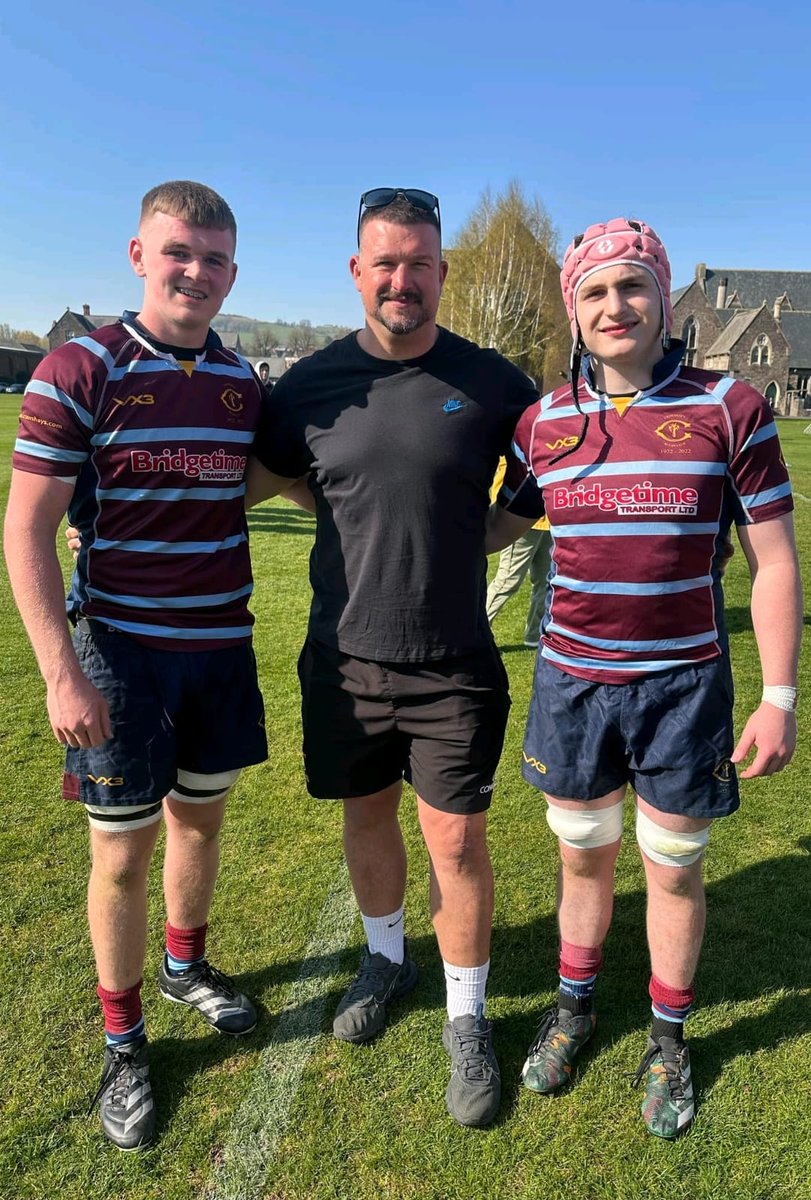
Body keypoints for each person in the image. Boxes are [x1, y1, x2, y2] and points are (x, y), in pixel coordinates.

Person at [491, 218, 802, 1138]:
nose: (614, 306)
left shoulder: (730, 406)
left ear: (664, 299)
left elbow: (774, 563)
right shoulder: (541, 420)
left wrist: (778, 696)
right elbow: (496, 525)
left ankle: (667, 1038)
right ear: (572, 311)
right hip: (572, 685)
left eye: (631, 287)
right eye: (594, 292)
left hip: (681, 689)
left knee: (670, 872)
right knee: (581, 857)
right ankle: (575, 1009)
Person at [244, 188, 539, 1127]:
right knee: (365, 817)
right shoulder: (309, 384)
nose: (402, 279)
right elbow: (263, 479)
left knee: (455, 839)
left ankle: (466, 1012)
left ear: (442, 272)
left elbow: (537, 490)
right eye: (385, 262)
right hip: (343, 660)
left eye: (419, 263)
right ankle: (383, 956)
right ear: (356, 272)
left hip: (452, 662)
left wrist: (462, 539)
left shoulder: (496, 383)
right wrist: (109, 523)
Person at [4, 181, 270, 1151]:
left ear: (232, 273)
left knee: (199, 825)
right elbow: (27, 527)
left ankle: (185, 965)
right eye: (177, 253)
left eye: (211, 259)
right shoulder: (80, 368)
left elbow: (269, 474)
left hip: (221, 650)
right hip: (120, 656)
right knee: (120, 854)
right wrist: (59, 672)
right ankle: (125, 1042)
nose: (193, 273)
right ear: (138, 255)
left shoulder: (243, 383)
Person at [486, 458, 551, 647]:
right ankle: (476, 629)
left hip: (547, 520)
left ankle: (534, 635)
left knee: (545, 581)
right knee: (508, 580)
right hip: (518, 519)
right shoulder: (518, 438)